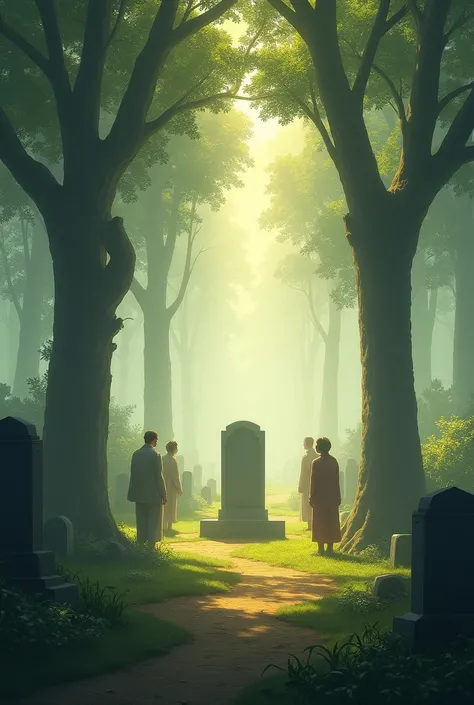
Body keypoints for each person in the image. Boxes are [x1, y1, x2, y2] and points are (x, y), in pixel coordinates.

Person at [127, 430, 167, 548]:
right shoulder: (156, 455)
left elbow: (133, 473)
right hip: (153, 494)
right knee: (154, 522)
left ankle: (140, 544)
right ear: (154, 440)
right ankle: (151, 547)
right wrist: (163, 493)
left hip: (139, 494)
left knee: (141, 521)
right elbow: (158, 476)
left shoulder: (136, 454)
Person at [309, 437, 341, 555]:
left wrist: (311, 496)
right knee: (331, 521)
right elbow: (337, 481)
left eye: (317, 445)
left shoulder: (316, 463)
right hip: (332, 496)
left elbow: (314, 481)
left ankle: (320, 549)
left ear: (320, 448)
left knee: (319, 522)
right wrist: (338, 496)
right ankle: (330, 548)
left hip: (319, 497)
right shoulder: (334, 461)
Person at [162, 440, 183, 532]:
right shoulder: (173, 460)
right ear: (173, 449)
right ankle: (169, 526)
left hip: (163, 484)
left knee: (164, 505)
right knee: (171, 505)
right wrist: (179, 488)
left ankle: (163, 525)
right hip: (171, 486)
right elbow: (175, 476)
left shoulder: (162, 458)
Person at [298, 437, 318, 531]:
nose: (303, 444)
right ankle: (314, 524)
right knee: (315, 503)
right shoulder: (317, 456)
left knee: (307, 504)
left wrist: (300, 485)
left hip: (307, 484)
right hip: (317, 483)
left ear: (307, 443)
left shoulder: (306, 457)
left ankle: (310, 525)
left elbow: (303, 473)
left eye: (304, 443)